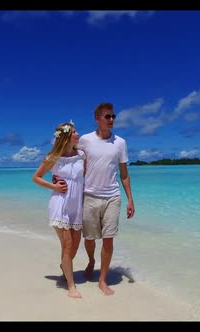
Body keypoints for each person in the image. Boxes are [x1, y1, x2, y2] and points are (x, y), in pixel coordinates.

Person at [77, 102, 135, 296]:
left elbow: (124, 174)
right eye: (107, 116)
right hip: (90, 195)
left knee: (108, 239)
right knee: (90, 238)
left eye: (113, 116)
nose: (111, 120)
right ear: (97, 119)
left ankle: (102, 279)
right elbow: (67, 152)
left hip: (112, 196)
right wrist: (57, 173)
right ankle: (92, 261)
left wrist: (130, 200)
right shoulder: (85, 140)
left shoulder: (120, 143)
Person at [32, 120, 85, 299]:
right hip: (60, 202)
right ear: (67, 136)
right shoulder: (53, 157)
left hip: (76, 204)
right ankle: (71, 285)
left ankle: (65, 266)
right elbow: (36, 177)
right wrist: (53, 186)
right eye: (75, 132)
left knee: (75, 245)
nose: (78, 134)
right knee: (67, 244)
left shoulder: (81, 155)